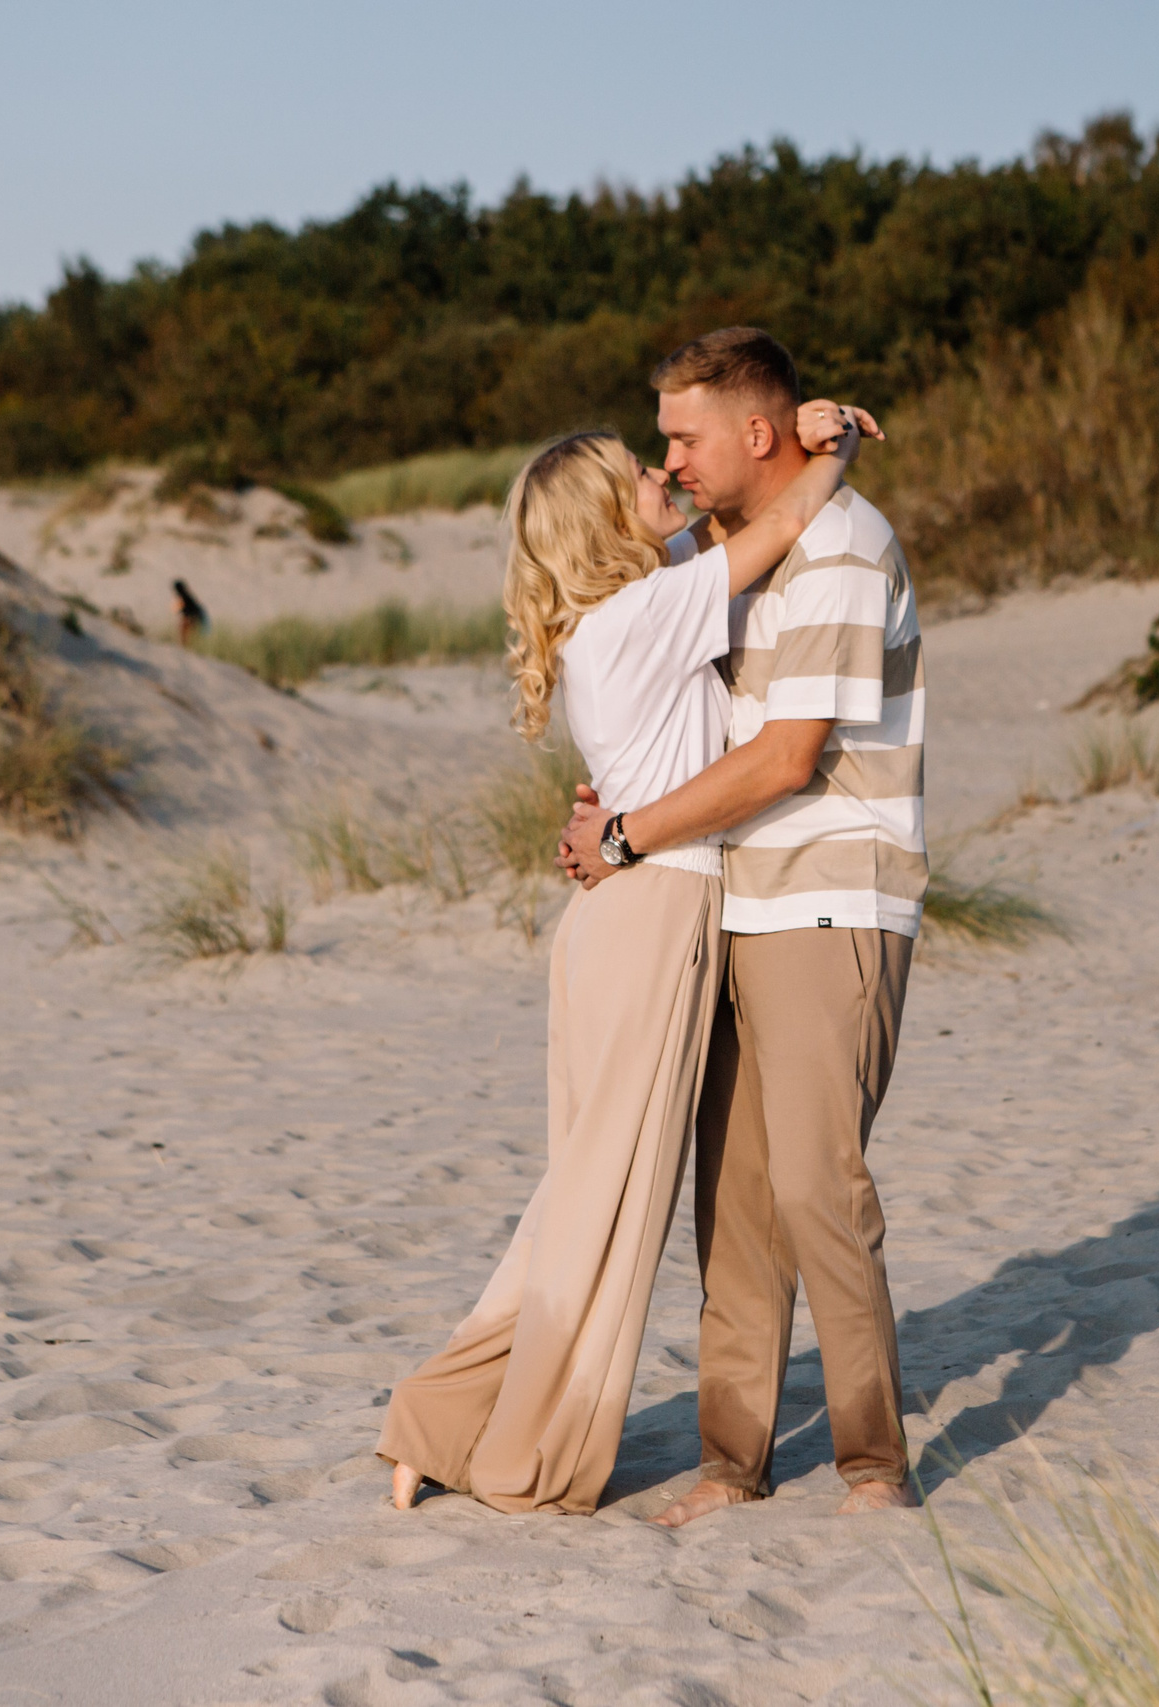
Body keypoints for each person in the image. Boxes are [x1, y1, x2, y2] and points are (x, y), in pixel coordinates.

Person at [375, 395, 877, 1515]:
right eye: (643, 480)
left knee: (581, 1199)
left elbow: (720, 535)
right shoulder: (649, 613)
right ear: (611, 525)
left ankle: (442, 1423)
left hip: (620, 922)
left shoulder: (613, 623)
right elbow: (784, 522)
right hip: (652, 922)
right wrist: (828, 442)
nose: (667, 478)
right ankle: (473, 1433)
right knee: (601, 1207)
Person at [559, 328, 926, 1523]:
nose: (667, 457)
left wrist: (626, 838)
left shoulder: (839, 552)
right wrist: (618, 804)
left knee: (819, 1187)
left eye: (684, 435)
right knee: (736, 1198)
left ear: (754, 435)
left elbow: (784, 757)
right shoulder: (727, 547)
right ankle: (733, 1462)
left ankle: (873, 1462)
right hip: (729, 896)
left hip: (830, 896)